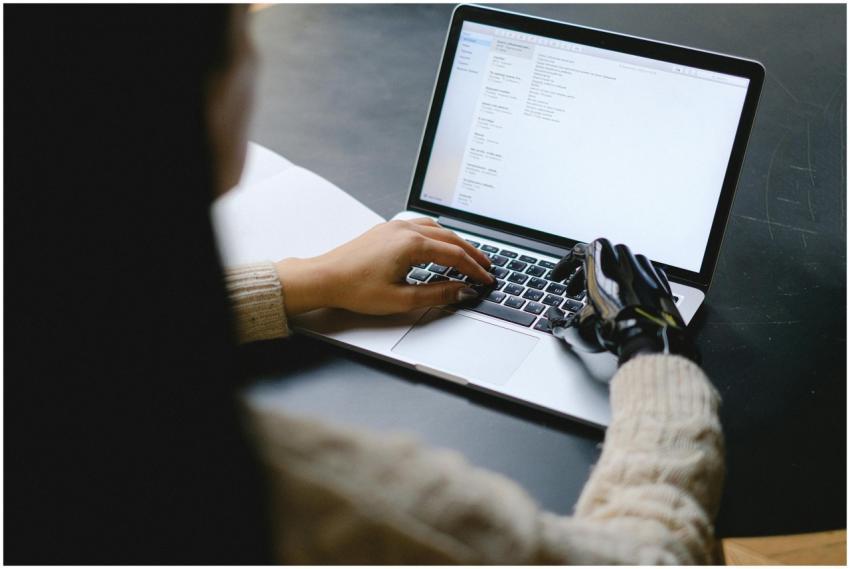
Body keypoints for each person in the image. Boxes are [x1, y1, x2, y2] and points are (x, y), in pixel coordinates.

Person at [5, 5, 724, 564]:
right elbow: (654, 555)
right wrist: (653, 348)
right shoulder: (312, 503)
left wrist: (305, 281)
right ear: (199, 112)